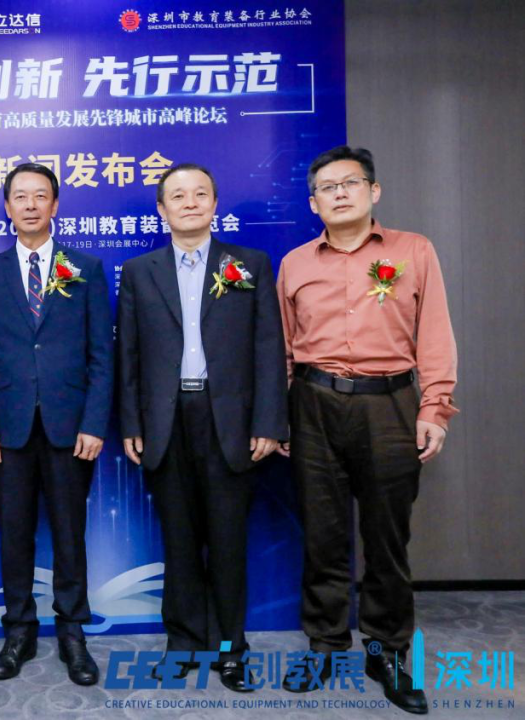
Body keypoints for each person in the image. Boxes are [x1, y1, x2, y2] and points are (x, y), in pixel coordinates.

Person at [277, 146, 457, 715]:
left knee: (387, 540)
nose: (339, 193)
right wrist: (281, 417)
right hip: (313, 404)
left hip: (390, 404)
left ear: (373, 191)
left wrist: (434, 408)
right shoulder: (295, 263)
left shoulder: (413, 250)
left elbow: (435, 334)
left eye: (350, 183)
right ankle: (325, 645)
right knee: (323, 537)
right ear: (313, 203)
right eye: (327, 187)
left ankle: (388, 652)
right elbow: (284, 348)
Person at [117, 164, 288, 692]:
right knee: (180, 539)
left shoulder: (249, 265)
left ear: (215, 204)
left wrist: (269, 422)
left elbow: (268, 347)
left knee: (228, 539)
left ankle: (231, 649)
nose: (189, 203)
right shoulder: (139, 271)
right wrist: (132, 421)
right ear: (161, 210)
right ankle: (184, 644)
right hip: (166, 420)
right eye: (177, 196)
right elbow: (129, 353)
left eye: (199, 194)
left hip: (229, 420)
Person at [0, 163, 113, 686]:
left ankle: (72, 632)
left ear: (55, 204)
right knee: (14, 533)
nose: (30, 205)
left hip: (71, 429)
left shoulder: (86, 268)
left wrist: (94, 423)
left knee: (70, 534)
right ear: (7, 207)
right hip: (7, 431)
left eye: (40, 196)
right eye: (20, 197)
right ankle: (19, 632)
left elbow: (102, 356)